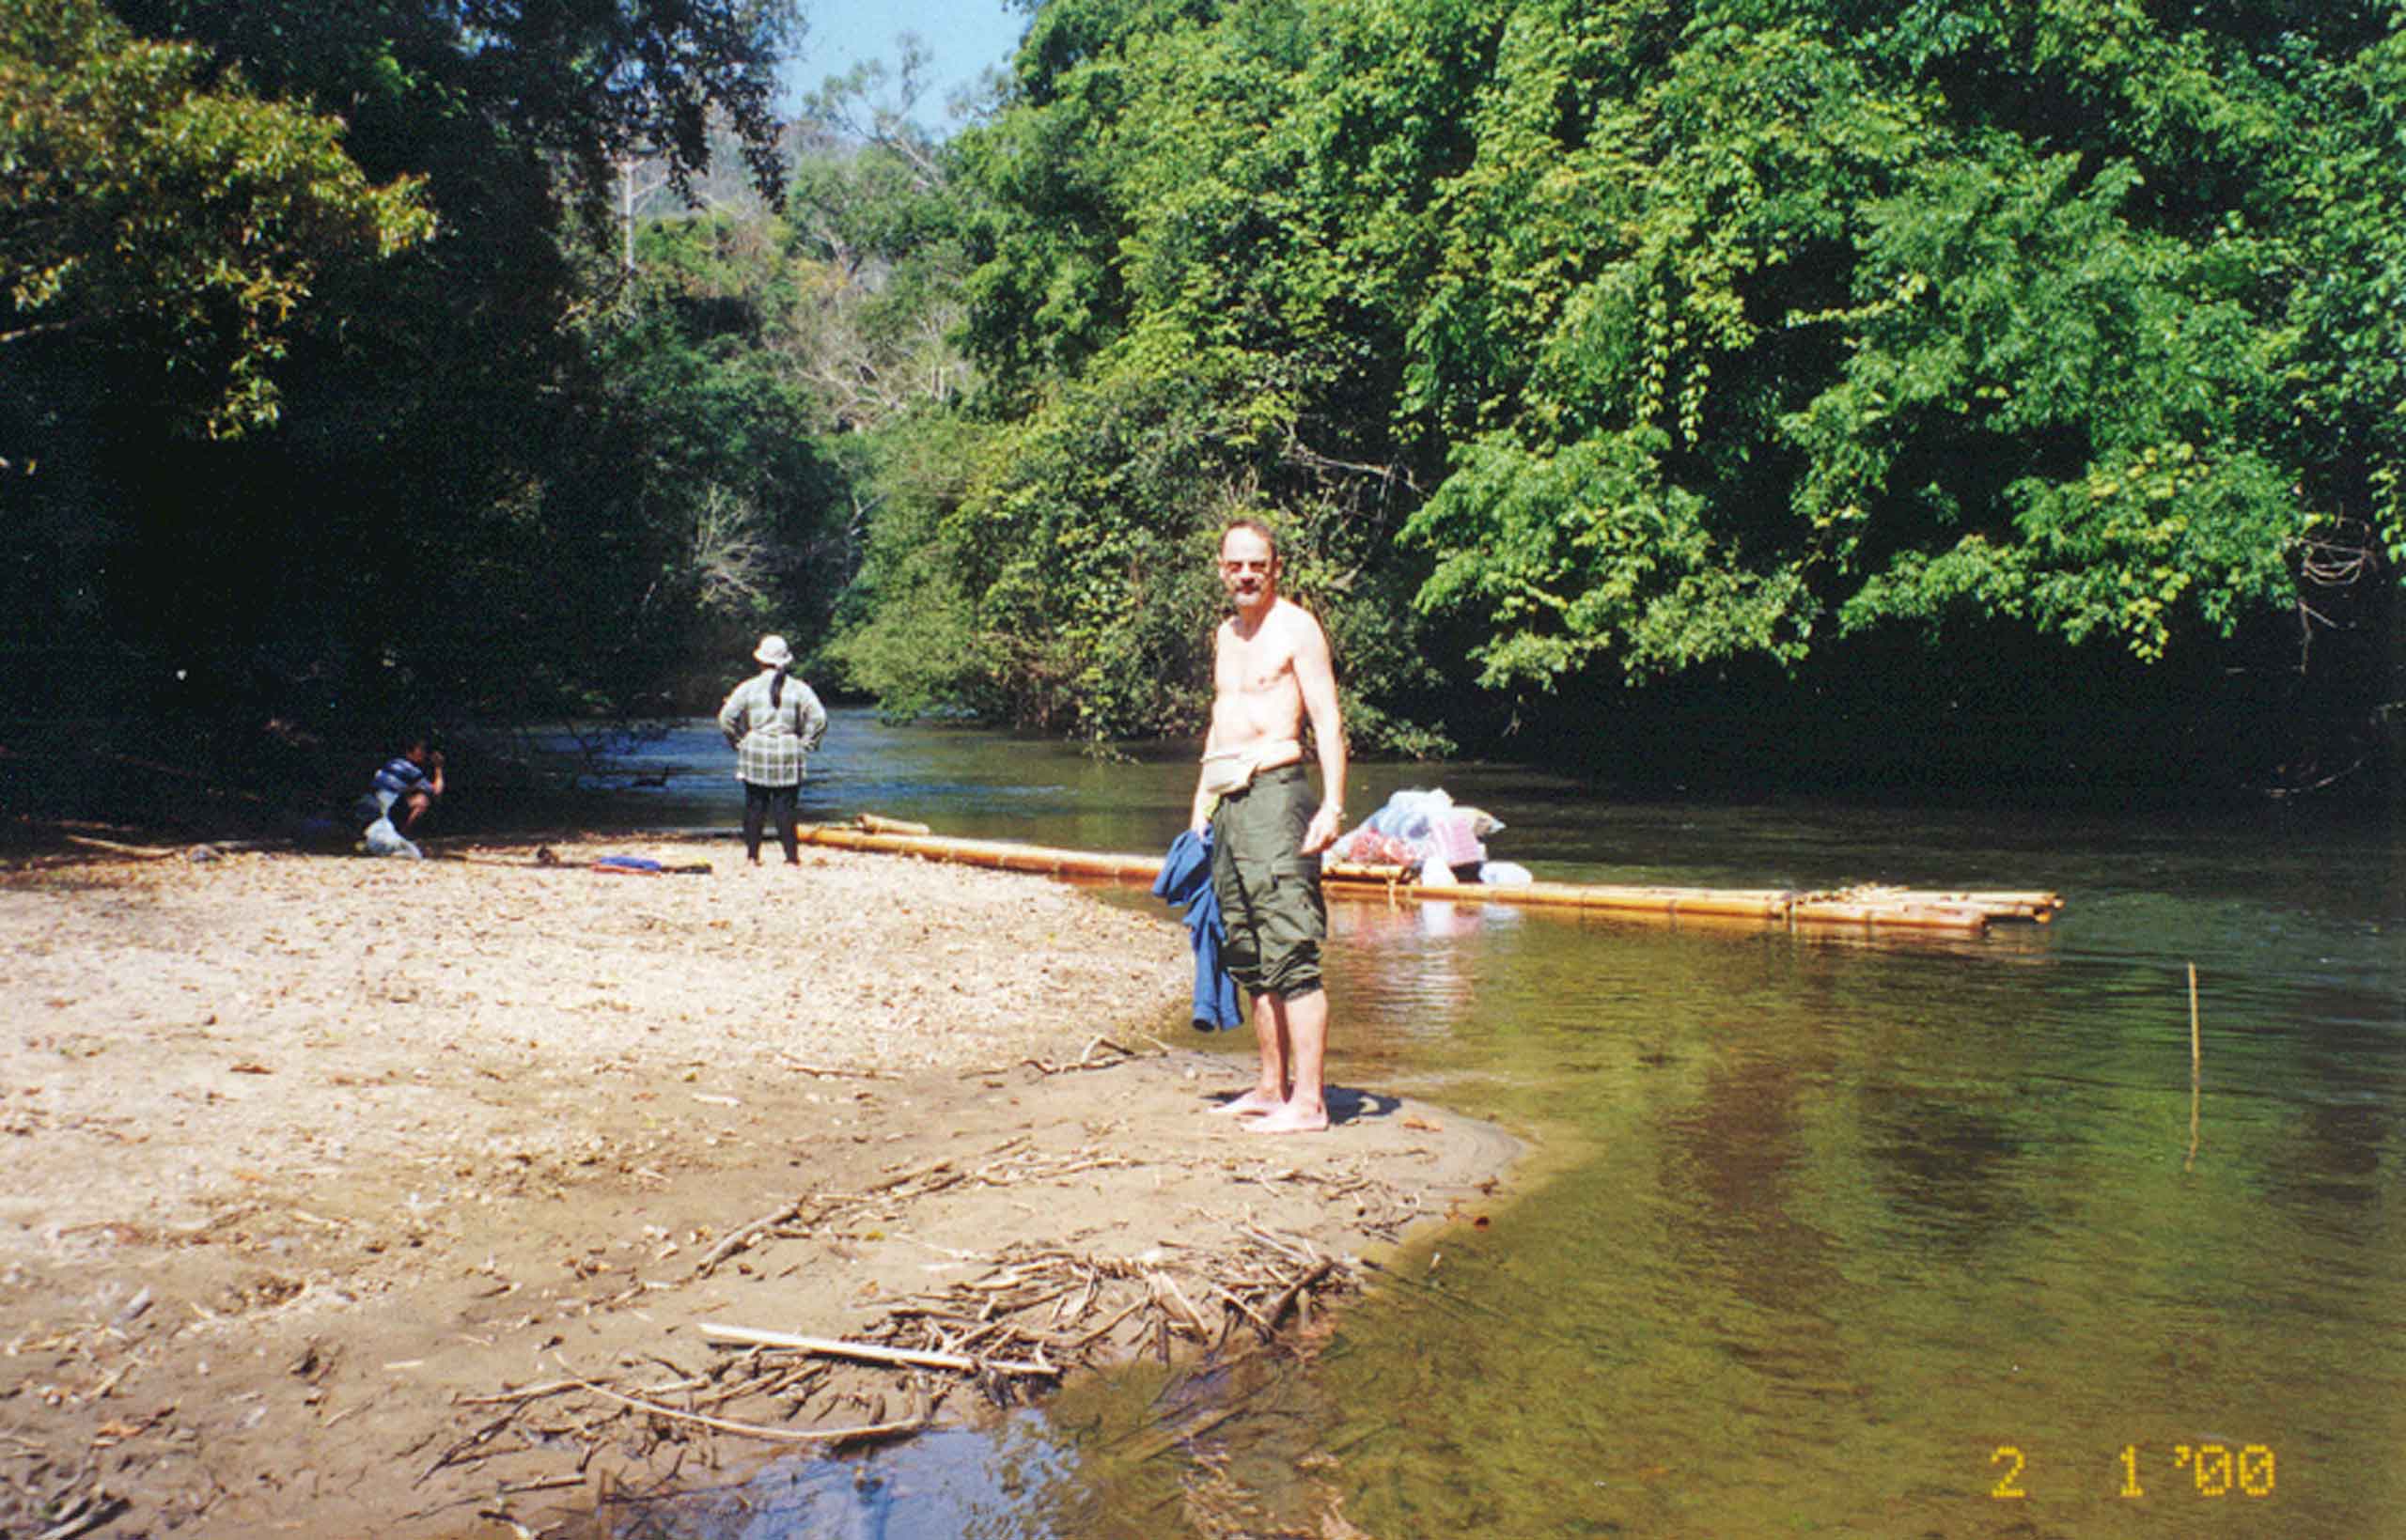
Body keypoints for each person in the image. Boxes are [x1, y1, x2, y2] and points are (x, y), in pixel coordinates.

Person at [1189, 519, 1347, 1133]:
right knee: (1248, 949)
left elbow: (1328, 720)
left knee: (1290, 946)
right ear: (1221, 569)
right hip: (1229, 800)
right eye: (1236, 564)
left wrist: (1332, 805)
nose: (1246, 574)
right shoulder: (1225, 635)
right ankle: (1268, 1085)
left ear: (1276, 566)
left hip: (1278, 797)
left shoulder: (1296, 628)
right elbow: (1220, 719)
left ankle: (1308, 1103)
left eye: (1258, 563)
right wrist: (1200, 800)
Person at [718, 634, 827, 866]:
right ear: (786, 661)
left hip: (755, 747)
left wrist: (739, 741)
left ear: (760, 660)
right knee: (786, 807)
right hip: (789, 749)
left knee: (754, 805)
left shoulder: (747, 687)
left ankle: (752, 856)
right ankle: (790, 858)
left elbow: (726, 718)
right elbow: (819, 719)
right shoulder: (799, 689)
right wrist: (807, 743)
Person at [362, 739, 445, 858]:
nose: (425, 753)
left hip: (373, 806)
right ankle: (404, 836)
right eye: (421, 749)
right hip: (381, 808)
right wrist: (438, 768)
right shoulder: (408, 769)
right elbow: (436, 792)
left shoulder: (393, 763)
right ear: (409, 751)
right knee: (422, 801)